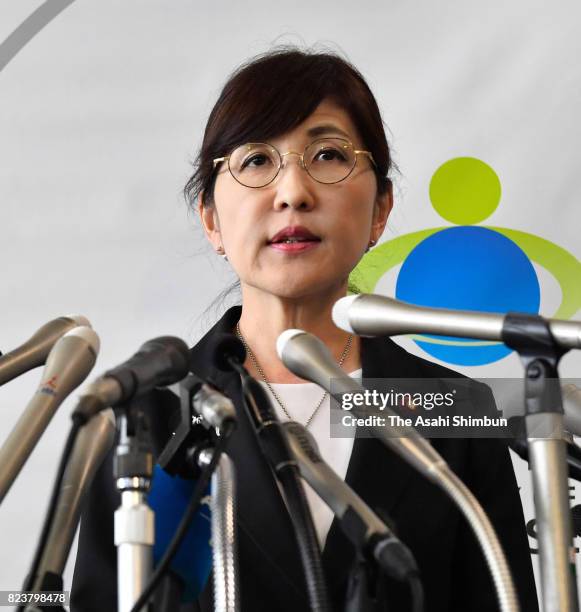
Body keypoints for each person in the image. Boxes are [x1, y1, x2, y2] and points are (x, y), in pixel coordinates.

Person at [71, 48, 538, 611]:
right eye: (257, 161)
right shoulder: (144, 416)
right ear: (212, 219)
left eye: (328, 154)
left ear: (380, 210)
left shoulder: (456, 410)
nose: (293, 192)